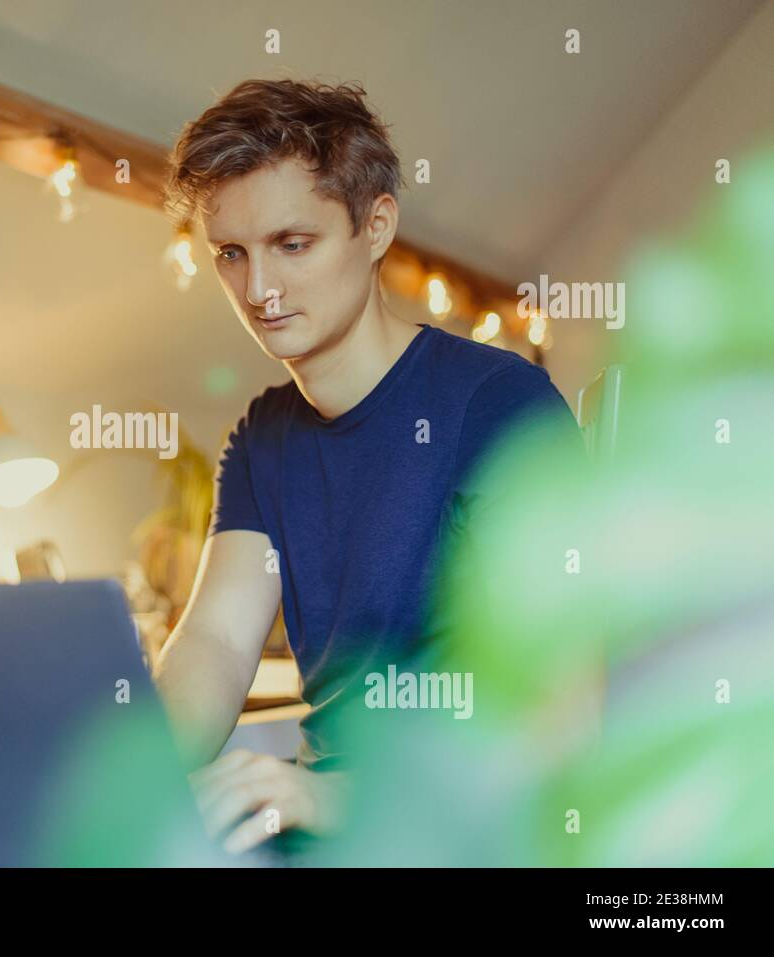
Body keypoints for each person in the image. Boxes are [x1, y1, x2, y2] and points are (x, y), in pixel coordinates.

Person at [153, 78, 581, 856]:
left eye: (292, 244)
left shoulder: (501, 404)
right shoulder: (263, 436)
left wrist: (333, 794)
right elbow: (214, 641)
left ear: (376, 225)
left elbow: (562, 715)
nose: (259, 289)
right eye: (231, 254)